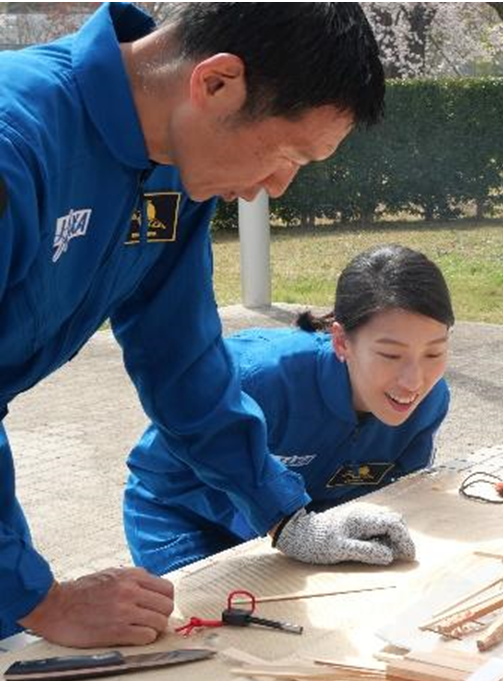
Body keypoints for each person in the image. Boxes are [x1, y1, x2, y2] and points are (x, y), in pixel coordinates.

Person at [0, 2, 386, 648]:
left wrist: (283, 512)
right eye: (287, 153)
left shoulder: (176, 168)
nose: (277, 187)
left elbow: (183, 360)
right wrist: (38, 599)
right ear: (216, 82)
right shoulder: (16, 140)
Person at [124, 245, 451, 575]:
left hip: (302, 528)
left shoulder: (430, 401)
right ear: (341, 341)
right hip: (185, 521)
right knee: (216, 609)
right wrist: (281, 523)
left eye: (434, 354)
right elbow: (156, 470)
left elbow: (402, 496)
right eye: (391, 355)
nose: (413, 382)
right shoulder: (257, 377)